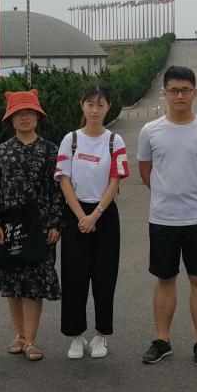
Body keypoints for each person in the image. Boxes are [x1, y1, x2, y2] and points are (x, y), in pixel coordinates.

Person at [137, 65, 197, 367]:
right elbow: (146, 172)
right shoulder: (150, 131)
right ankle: (162, 339)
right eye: (173, 90)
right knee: (165, 278)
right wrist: (167, 195)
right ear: (164, 93)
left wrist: (196, 196)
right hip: (163, 218)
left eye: (185, 90)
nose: (179, 95)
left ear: (195, 93)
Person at [0, 89, 64, 362]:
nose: (25, 117)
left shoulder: (50, 151)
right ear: (10, 119)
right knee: (12, 282)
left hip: (41, 227)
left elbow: (57, 191)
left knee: (34, 283)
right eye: (19, 113)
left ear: (39, 117)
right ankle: (18, 335)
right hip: (9, 228)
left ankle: (31, 339)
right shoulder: (0, 153)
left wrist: (56, 224)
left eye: (30, 112)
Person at [54, 83, 130, 359]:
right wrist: (81, 217)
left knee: (104, 276)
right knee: (74, 276)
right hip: (75, 214)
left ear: (108, 107)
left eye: (100, 105)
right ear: (82, 105)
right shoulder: (71, 139)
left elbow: (115, 180)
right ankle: (75, 336)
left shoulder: (115, 141)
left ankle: (101, 335)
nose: (95, 110)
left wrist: (95, 214)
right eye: (90, 104)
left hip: (105, 215)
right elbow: (63, 179)